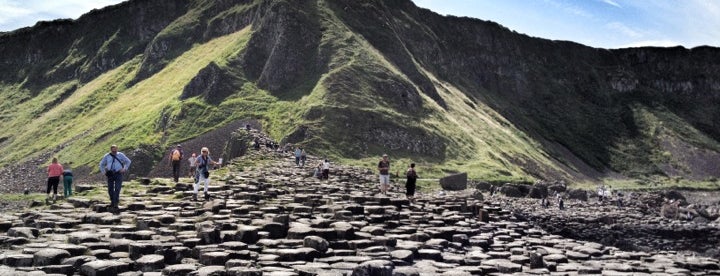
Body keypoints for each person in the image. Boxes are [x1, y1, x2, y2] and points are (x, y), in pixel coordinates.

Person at [99, 145, 131, 209]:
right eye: (113, 150)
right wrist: (103, 172)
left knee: (117, 188)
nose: (114, 151)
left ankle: (115, 203)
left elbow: (128, 161)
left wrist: (124, 169)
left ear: (117, 149)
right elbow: (101, 164)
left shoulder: (121, 155)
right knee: (110, 189)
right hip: (110, 174)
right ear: (111, 150)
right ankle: (112, 202)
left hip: (118, 173)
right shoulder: (107, 156)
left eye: (115, 150)